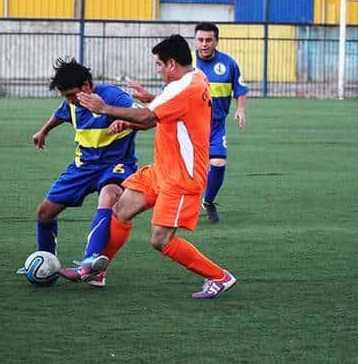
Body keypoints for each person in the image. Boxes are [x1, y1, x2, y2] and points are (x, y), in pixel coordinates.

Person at [71, 34, 236, 299]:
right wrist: (138, 112)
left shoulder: (184, 88)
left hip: (182, 176)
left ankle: (219, 276)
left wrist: (105, 109)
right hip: (162, 170)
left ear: (171, 64)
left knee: (160, 240)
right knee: (121, 209)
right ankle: (98, 272)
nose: (157, 69)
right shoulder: (194, 78)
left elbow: (148, 116)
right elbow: (155, 117)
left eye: (158, 64)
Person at [17, 57, 138, 287]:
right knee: (44, 213)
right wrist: (43, 131)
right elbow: (60, 114)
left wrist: (126, 122)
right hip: (83, 167)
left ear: (86, 86)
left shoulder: (113, 96)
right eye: (66, 96)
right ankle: (46, 261)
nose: (70, 101)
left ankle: (90, 261)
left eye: (72, 95)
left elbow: (146, 116)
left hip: (117, 163)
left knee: (109, 194)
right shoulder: (72, 103)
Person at [128, 22, 249, 223]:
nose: (204, 44)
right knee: (188, 169)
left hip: (215, 125)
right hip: (190, 127)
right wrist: (150, 98)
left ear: (216, 41)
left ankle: (208, 201)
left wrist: (240, 109)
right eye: (200, 39)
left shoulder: (228, 63)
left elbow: (241, 88)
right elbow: (172, 98)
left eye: (209, 40)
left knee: (218, 163)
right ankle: (178, 200)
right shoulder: (187, 64)